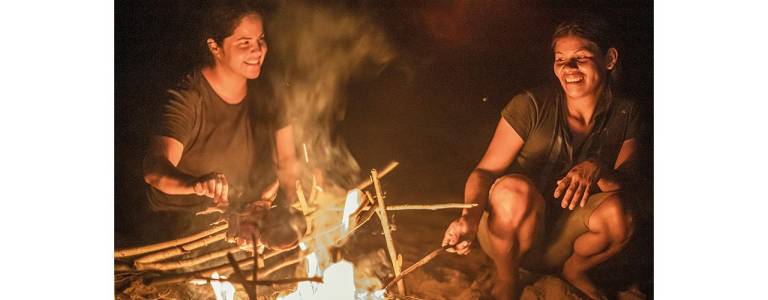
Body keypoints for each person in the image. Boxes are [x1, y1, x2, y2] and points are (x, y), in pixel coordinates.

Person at [441, 15, 640, 299]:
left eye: (580, 57)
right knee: (513, 190)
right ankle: (507, 278)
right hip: (510, 235)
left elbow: (629, 186)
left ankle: (575, 270)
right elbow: (484, 172)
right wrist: (468, 219)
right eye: (560, 59)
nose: (569, 68)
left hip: (564, 240)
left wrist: (598, 168)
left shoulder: (626, 113)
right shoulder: (531, 105)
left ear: (609, 59)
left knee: (620, 212)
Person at [142, 1, 304, 250]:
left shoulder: (270, 91)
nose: (258, 50)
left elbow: (287, 160)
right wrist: (196, 185)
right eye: (244, 42)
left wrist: (281, 205)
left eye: (260, 39)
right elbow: (155, 170)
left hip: (235, 209)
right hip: (178, 229)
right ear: (215, 47)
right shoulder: (188, 98)